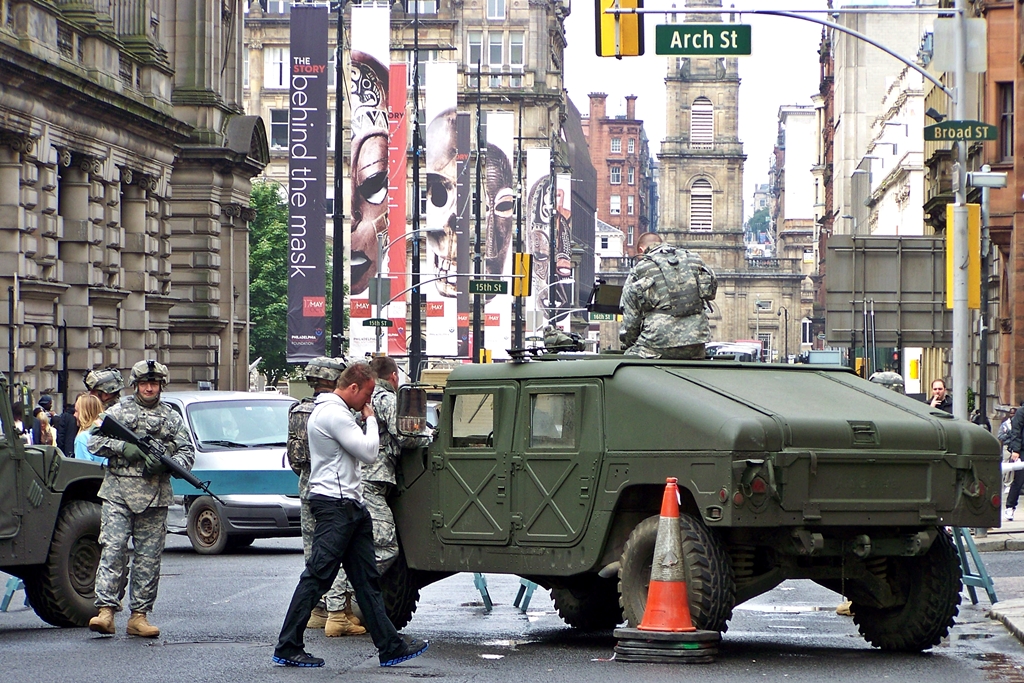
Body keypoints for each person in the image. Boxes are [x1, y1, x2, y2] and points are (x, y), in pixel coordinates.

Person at [273, 363, 427, 669]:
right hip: (336, 506)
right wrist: (370, 422)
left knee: (367, 580)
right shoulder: (334, 414)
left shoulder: (336, 412)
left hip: (349, 505)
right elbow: (369, 452)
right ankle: (288, 645)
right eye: (367, 394)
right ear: (353, 388)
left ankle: (390, 646)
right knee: (317, 576)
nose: (368, 402)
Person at [87, 360, 194, 638]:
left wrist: (167, 464)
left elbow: (187, 453)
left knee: (148, 558)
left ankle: (139, 616)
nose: (149, 388)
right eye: (145, 383)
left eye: (155, 383)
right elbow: (93, 441)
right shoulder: (116, 411)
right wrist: (125, 448)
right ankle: (106, 611)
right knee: (113, 550)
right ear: (135, 385)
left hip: (155, 496)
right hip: (118, 493)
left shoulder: (172, 418)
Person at [287, 356, 365, 637]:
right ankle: (337, 613)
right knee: (335, 551)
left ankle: (317, 611)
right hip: (333, 487)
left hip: (307, 483)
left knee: (313, 551)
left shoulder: (299, 409)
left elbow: (293, 457)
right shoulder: (338, 412)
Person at [365, 356, 430, 575]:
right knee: (385, 547)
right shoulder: (386, 399)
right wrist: (429, 438)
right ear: (394, 376)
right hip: (373, 479)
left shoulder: (362, 398)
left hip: (357, 478)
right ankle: (344, 593)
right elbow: (407, 436)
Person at [619, 233, 718, 359]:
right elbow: (711, 292)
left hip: (657, 345)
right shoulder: (694, 260)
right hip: (696, 345)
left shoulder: (641, 268)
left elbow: (631, 321)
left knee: (628, 358)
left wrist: (628, 342)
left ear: (641, 250)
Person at [1004, 402, 1024, 521]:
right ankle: (1010, 507)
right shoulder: (1021, 412)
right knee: (1019, 480)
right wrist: (1016, 450)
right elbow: (1016, 431)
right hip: (1022, 450)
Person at [73, 393, 106, 463]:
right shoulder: (109, 434)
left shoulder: (82, 438)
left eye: (76, 411)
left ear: (84, 413)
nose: (74, 415)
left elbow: (83, 470)